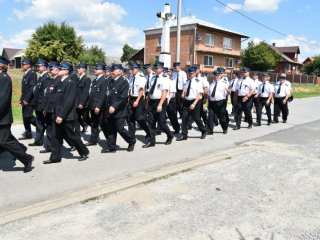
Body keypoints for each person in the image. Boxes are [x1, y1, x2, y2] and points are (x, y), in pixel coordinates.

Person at [44, 62, 89, 164]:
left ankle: (83, 152)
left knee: (71, 135)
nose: (58, 70)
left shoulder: (70, 83)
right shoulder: (59, 81)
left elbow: (69, 102)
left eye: (61, 69)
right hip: (56, 114)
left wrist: (61, 115)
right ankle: (55, 157)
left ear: (66, 71)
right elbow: (53, 97)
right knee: (56, 136)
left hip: (66, 116)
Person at [0, 56, 34, 173]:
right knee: (6, 138)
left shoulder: (4, 78)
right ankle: (21, 148)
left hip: (2, 117)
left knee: (4, 140)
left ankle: (27, 158)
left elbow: (3, 101)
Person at [102, 64, 136, 153]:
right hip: (109, 109)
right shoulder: (111, 81)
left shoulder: (124, 81)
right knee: (110, 129)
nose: (112, 71)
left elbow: (124, 97)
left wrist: (114, 106)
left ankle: (131, 141)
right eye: (112, 70)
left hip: (119, 110)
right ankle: (112, 147)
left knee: (120, 128)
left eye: (114, 70)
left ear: (120, 71)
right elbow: (108, 95)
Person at [143, 62, 174, 148]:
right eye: (155, 68)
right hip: (152, 102)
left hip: (160, 101)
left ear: (161, 69)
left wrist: (160, 105)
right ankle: (152, 141)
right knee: (151, 122)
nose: (156, 69)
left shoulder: (164, 79)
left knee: (161, 122)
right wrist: (147, 103)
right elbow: (149, 92)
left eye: (158, 68)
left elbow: (164, 93)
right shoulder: (153, 78)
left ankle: (170, 135)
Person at [177, 66, 207, 141]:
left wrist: (194, 104)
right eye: (189, 73)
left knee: (196, 118)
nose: (190, 74)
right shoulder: (187, 82)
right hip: (187, 101)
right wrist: (183, 94)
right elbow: (185, 89)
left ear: (194, 74)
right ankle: (184, 135)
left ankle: (203, 130)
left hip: (196, 101)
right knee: (184, 118)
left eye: (191, 73)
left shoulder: (198, 82)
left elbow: (199, 94)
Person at [30, 59, 52, 149]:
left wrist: (44, 107)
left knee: (48, 125)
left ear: (45, 67)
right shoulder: (41, 77)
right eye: (37, 66)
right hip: (38, 104)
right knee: (39, 123)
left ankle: (49, 145)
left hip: (42, 105)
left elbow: (45, 94)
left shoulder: (46, 77)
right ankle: (39, 141)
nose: (38, 67)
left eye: (39, 66)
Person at [127, 62, 151, 138]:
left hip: (139, 99)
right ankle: (131, 135)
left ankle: (148, 131)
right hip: (131, 98)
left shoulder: (141, 77)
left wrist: (137, 101)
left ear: (137, 69)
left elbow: (141, 90)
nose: (131, 70)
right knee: (130, 118)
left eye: (132, 69)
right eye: (130, 69)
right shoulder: (131, 77)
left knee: (138, 118)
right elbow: (130, 89)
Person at [86, 63, 108, 146]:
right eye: (94, 68)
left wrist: (98, 106)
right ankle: (93, 140)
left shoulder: (104, 80)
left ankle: (110, 141)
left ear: (102, 71)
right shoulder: (95, 80)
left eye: (96, 68)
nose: (94, 70)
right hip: (92, 106)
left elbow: (103, 95)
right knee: (94, 124)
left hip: (99, 107)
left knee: (103, 125)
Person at [207, 69, 230, 135]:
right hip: (212, 103)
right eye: (215, 75)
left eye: (217, 75)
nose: (216, 76)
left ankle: (225, 128)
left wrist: (228, 91)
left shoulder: (224, 84)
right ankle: (210, 130)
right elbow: (209, 94)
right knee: (210, 117)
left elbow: (228, 93)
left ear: (220, 76)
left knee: (221, 117)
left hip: (220, 103)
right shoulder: (211, 84)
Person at [19, 58, 37, 140]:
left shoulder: (32, 73)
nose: (22, 65)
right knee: (24, 117)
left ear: (29, 65)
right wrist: (21, 99)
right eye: (22, 64)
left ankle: (41, 126)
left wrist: (27, 99)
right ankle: (28, 133)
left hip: (30, 100)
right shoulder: (26, 74)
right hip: (24, 99)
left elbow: (31, 88)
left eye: (24, 64)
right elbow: (24, 89)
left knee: (28, 116)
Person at [76, 62, 91, 134]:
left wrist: (82, 103)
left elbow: (86, 93)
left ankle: (95, 129)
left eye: (79, 68)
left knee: (86, 119)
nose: (77, 69)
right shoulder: (79, 78)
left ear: (84, 69)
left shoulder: (87, 79)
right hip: (78, 102)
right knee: (76, 117)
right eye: (77, 68)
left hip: (84, 104)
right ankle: (78, 132)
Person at [166, 68, 180, 134]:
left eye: (169, 72)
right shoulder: (162, 79)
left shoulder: (172, 80)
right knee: (161, 116)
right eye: (166, 72)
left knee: (172, 116)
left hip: (171, 100)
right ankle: (158, 130)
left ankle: (177, 128)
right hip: (163, 99)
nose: (167, 73)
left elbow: (172, 92)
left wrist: (168, 100)